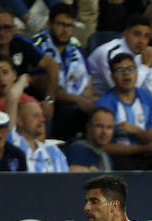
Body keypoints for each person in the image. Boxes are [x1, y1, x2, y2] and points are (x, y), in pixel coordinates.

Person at [31, 3, 96, 141]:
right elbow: (41, 87)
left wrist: (86, 99)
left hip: (77, 105)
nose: (65, 30)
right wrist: (77, 99)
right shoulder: (36, 46)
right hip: (50, 104)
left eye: (69, 25)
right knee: (64, 110)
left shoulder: (78, 50)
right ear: (49, 23)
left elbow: (88, 85)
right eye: (61, 24)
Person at [96, 53, 152, 170]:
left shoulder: (148, 99)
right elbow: (102, 146)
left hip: (147, 155)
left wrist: (136, 131)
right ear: (112, 76)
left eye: (130, 69)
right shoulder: (104, 104)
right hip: (119, 158)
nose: (126, 73)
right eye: (120, 70)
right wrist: (142, 148)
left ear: (136, 73)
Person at [0, 6, 59, 116]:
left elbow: (52, 65)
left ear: (14, 29)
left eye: (7, 27)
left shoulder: (20, 42)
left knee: (43, 110)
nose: (1, 32)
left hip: (22, 102)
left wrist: (49, 100)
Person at [89, 14, 152, 101]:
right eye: (137, 34)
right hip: (98, 103)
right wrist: (145, 66)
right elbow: (122, 92)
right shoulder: (109, 52)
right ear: (125, 33)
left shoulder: (143, 55)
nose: (142, 41)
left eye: (146, 36)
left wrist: (151, 67)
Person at [9, 100, 69, 172]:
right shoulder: (10, 143)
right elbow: (12, 97)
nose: (42, 120)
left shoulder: (53, 151)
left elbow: (65, 181)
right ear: (19, 120)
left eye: (42, 115)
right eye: (36, 115)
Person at [65, 107, 115, 171]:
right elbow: (70, 173)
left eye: (109, 127)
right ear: (88, 127)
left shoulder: (107, 157)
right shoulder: (78, 149)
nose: (104, 132)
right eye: (99, 126)